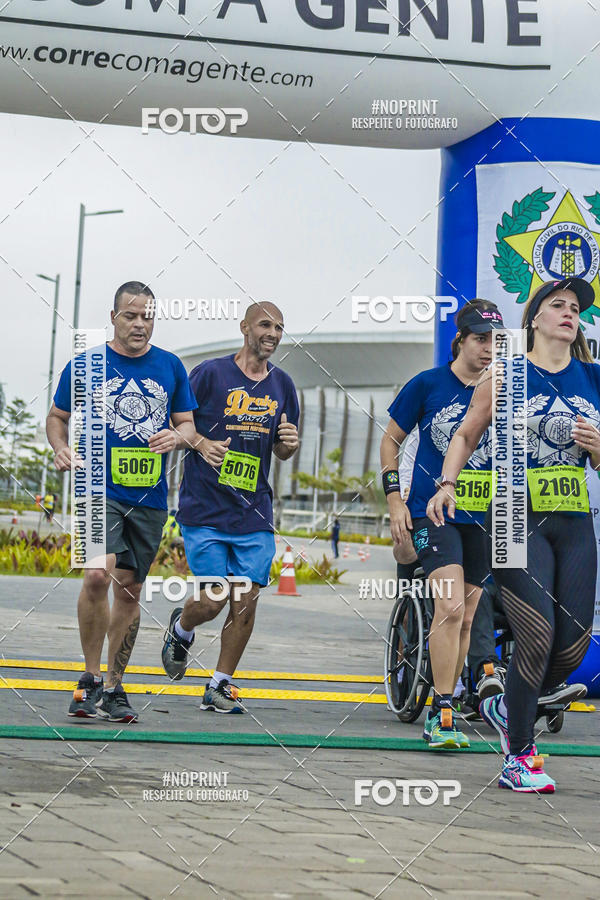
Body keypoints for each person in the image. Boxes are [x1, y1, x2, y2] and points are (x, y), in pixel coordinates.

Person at [428, 277, 600, 792]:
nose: (569, 313)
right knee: (537, 634)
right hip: (512, 518)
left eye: (575, 308)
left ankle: (507, 705)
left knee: (572, 647)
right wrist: (447, 484)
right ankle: (519, 757)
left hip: (573, 521)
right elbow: (465, 434)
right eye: (558, 305)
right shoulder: (506, 374)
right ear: (536, 319)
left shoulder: (593, 378)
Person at [47, 281, 197, 723]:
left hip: (149, 496)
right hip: (97, 489)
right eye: (131, 316)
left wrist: (179, 436)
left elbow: (188, 426)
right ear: (113, 318)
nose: (139, 324)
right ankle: (89, 679)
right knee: (97, 573)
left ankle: (114, 686)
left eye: (147, 316)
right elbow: (58, 417)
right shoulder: (87, 365)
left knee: (129, 589)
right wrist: (59, 446)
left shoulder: (170, 366)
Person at [161, 301, 299, 713]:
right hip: (204, 508)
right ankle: (183, 628)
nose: (273, 333)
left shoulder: (283, 384)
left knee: (247, 598)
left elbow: (284, 447)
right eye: (265, 325)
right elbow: (174, 424)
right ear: (244, 327)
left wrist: (288, 446)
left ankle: (220, 683)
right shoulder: (209, 374)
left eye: (279, 326)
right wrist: (201, 443)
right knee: (215, 598)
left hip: (254, 511)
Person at [381, 300, 504, 750]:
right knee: (449, 607)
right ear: (461, 340)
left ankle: (451, 697)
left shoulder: (505, 389)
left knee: (469, 615)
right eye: (480, 340)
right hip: (432, 512)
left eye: (496, 340)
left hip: (485, 515)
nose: (489, 349)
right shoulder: (429, 384)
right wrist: (394, 500)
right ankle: (442, 709)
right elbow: (390, 439)